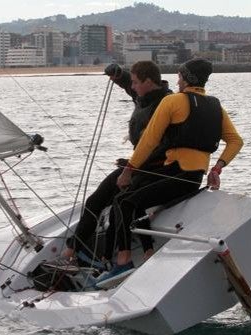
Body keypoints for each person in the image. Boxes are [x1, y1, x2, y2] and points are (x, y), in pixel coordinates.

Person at [100, 58, 244, 282]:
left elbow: (148, 141)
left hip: (176, 174)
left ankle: (123, 261)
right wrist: (218, 167)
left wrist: (128, 169)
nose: (177, 81)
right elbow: (235, 141)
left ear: (186, 78)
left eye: (179, 76)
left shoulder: (173, 101)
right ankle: (148, 254)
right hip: (194, 178)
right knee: (134, 197)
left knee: (123, 202)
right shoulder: (216, 106)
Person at [58, 61, 172, 267]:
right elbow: (130, 84)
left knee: (121, 203)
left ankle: (127, 256)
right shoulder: (143, 96)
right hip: (135, 165)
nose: (134, 86)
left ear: (148, 82)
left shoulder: (168, 103)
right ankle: (70, 252)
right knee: (94, 202)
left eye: (137, 82)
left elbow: (166, 143)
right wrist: (119, 75)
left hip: (156, 169)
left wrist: (132, 165)